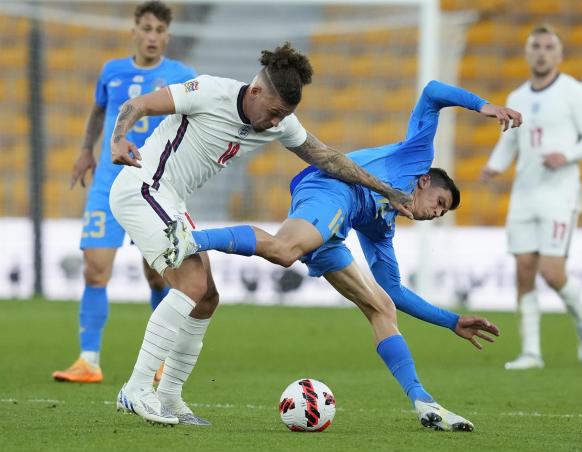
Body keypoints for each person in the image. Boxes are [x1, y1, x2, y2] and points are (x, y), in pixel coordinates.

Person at [168, 80, 521, 430]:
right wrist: (483, 105)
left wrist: (452, 321)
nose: (435, 213)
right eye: (440, 204)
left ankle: (422, 400)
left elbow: (394, 291)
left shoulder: (383, 227)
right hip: (332, 187)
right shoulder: (415, 157)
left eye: (442, 214)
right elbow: (431, 93)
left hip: (333, 230)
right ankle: (190, 238)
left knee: (381, 306)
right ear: (426, 181)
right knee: (285, 250)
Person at [108, 42, 415, 426]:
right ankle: (137, 389)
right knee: (190, 283)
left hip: (170, 199)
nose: (274, 123)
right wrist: (118, 138)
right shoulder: (208, 91)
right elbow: (136, 105)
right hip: (143, 188)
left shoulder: (281, 121)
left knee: (206, 298)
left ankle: (169, 397)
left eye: (282, 116)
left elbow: (329, 158)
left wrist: (385, 191)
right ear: (255, 92)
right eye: (272, 113)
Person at [52, 1, 196, 384]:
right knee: (94, 269)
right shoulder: (111, 71)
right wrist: (86, 150)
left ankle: (161, 362)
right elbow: (99, 111)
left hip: (155, 187)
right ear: (134, 30)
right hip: (107, 185)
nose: (152, 37)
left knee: (157, 276)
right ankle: (88, 361)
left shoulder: (181, 75)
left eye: (159, 31)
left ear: (167, 35)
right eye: (146, 28)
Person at [481, 24, 582, 370]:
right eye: (536, 46)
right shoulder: (518, 96)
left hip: (559, 194)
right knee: (523, 271)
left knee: (552, 272)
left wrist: (567, 155)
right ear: (527, 52)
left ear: (559, 54)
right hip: (525, 193)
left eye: (549, 47)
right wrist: (494, 166)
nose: (541, 52)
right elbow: (509, 139)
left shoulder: (573, 92)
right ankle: (531, 352)